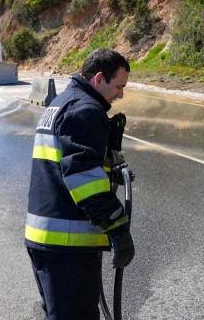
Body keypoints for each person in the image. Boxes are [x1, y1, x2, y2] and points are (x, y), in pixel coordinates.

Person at [25, 48, 135, 320]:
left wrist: (107, 162)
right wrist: (117, 227)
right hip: (67, 244)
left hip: (48, 238)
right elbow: (84, 178)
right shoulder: (84, 110)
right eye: (119, 86)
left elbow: (68, 166)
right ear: (99, 78)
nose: (120, 94)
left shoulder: (62, 102)